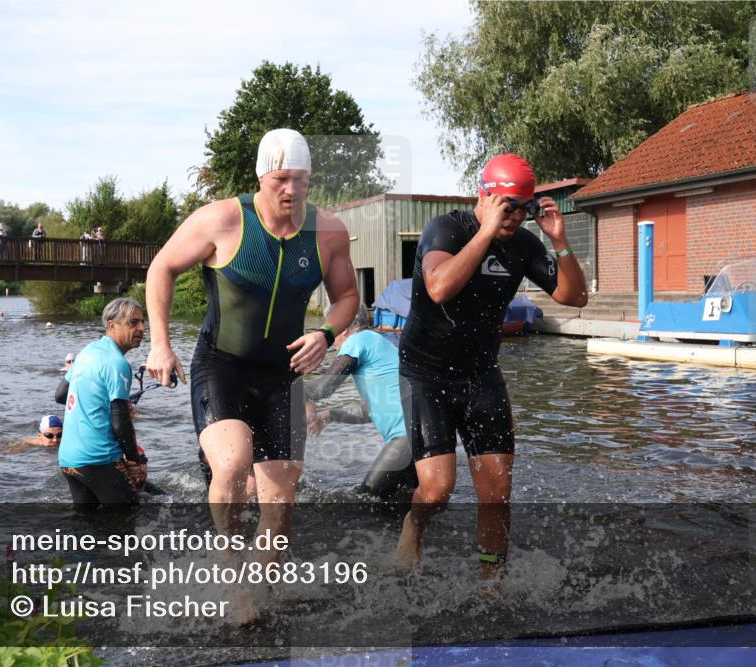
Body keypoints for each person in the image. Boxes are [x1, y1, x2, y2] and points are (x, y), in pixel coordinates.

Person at [144, 129, 359, 563]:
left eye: (301, 179)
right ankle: (230, 567)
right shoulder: (221, 220)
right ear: (261, 177)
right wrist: (160, 344)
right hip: (223, 366)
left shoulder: (328, 232)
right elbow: (161, 267)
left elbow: (348, 298)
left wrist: (325, 334)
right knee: (232, 465)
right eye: (281, 178)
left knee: (279, 504)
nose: (292, 189)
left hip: (284, 375)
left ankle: (259, 594)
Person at [395, 153, 589, 575]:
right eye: (507, 205)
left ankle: (491, 580)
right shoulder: (446, 229)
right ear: (483, 196)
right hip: (427, 373)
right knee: (437, 489)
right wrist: (484, 232)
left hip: (481, 373)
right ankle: (414, 521)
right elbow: (439, 288)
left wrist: (559, 239)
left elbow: (574, 298)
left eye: (524, 207)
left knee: (497, 488)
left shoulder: (523, 244)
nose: (516, 216)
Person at [304, 304, 417, 501]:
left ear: (345, 326)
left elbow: (324, 388)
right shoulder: (378, 343)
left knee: (366, 502)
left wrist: (297, 391)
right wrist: (329, 415)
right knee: (400, 504)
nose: (331, 341)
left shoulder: (357, 340)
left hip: (406, 437)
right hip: (420, 435)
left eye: (331, 331)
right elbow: (371, 410)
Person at [55, 297, 148, 510]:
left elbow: (61, 395)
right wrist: (134, 462)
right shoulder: (118, 363)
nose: (142, 328)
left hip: (69, 460)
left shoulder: (87, 351)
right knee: (129, 524)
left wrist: (101, 404)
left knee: (88, 528)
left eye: (143, 322)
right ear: (112, 326)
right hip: (99, 459)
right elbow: (120, 424)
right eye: (133, 323)